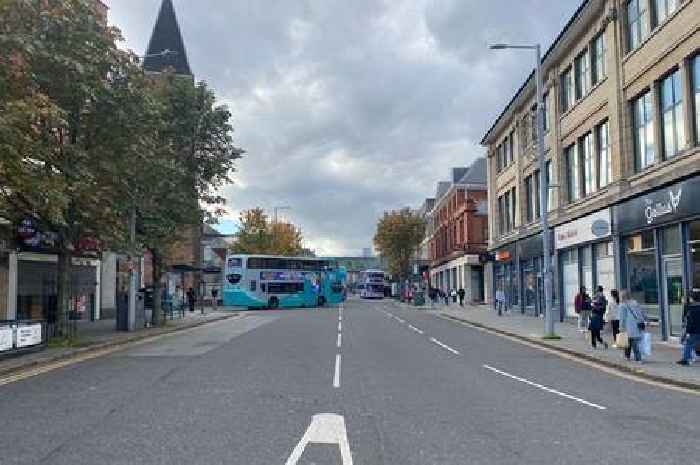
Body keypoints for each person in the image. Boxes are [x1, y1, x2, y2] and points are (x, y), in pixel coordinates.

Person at [619, 289, 646, 363]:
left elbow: (622, 317)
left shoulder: (623, 305)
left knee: (630, 341)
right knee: (632, 341)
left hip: (628, 325)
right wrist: (644, 320)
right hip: (637, 325)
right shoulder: (635, 302)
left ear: (622, 296)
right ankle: (631, 356)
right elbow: (641, 312)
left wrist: (621, 327)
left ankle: (636, 358)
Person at [677, 289, 700, 365]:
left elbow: (690, 321)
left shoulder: (692, 308)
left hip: (695, 331)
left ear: (692, 298)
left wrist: (687, 332)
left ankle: (686, 359)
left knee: (688, 344)